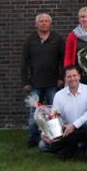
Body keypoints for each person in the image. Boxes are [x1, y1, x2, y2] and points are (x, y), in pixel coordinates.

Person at [39, 65, 87, 162]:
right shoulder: (59, 95)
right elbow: (54, 116)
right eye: (69, 76)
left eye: (74, 75)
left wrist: (74, 125)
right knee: (42, 145)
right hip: (67, 131)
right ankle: (75, 146)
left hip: (84, 129)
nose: (72, 79)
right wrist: (45, 132)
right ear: (65, 79)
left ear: (79, 76)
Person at [21, 13, 64, 147]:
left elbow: (63, 60)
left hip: (53, 82)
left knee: (54, 112)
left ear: (50, 23)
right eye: (41, 21)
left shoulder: (57, 39)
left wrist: (61, 78)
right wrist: (25, 81)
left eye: (46, 21)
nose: (44, 23)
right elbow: (24, 62)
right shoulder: (30, 40)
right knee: (34, 113)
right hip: (35, 83)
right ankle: (33, 138)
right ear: (36, 24)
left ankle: (56, 136)